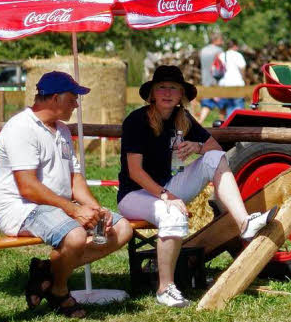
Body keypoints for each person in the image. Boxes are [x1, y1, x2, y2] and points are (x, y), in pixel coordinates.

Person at [117, 65, 277, 307]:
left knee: (213, 158)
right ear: (152, 94)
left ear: (182, 95)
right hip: (134, 195)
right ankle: (165, 288)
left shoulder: (183, 118)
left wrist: (197, 148)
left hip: (167, 187)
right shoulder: (136, 120)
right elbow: (135, 172)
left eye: (174, 88)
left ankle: (244, 222)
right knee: (171, 214)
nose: (168, 92)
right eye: (162, 87)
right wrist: (166, 195)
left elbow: (215, 148)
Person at [0, 71, 133, 319]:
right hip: (22, 208)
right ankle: (59, 291)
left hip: (58, 208)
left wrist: (98, 211)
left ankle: (47, 271)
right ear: (55, 98)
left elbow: (74, 179)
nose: (76, 104)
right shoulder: (20, 129)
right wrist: (75, 210)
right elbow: (27, 187)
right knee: (75, 236)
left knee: (121, 230)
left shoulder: (62, 131)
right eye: (73, 98)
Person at [196, 31, 224, 123]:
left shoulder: (203, 50)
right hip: (216, 82)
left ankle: (199, 123)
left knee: (207, 105)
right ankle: (222, 127)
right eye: (221, 39)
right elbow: (220, 67)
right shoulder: (218, 51)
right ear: (216, 40)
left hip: (206, 81)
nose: (222, 42)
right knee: (223, 105)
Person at [215, 38, 248, 119]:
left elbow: (216, 69)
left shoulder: (222, 55)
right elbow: (243, 68)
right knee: (238, 107)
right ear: (235, 46)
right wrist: (244, 79)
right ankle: (237, 126)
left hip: (226, 84)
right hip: (237, 84)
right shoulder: (238, 55)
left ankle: (228, 126)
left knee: (228, 107)